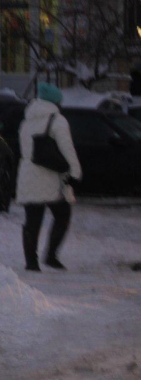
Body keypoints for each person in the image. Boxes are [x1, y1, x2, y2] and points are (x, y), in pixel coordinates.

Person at [16, 82, 82, 272]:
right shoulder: (58, 120)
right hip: (50, 177)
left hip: (28, 174)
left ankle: (31, 262)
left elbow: (25, 149)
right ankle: (51, 256)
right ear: (56, 102)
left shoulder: (26, 121)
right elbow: (67, 149)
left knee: (32, 220)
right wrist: (75, 172)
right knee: (62, 214)